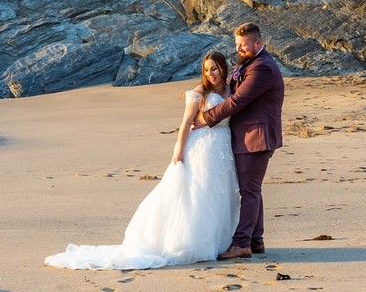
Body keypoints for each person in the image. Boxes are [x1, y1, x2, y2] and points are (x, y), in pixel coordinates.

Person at [45, 52, 240, 270]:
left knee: (218, 193)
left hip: (223, 147)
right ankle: (195, 243)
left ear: (223, 68)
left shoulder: (232, 90)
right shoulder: (200, 92)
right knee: (198, 192)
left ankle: (217, 242)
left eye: (214, 68)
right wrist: (178, 151)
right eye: (206, 69)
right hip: (200, 148)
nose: (210, 73)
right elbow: (186, 123)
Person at [197, 23, 284, 261]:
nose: (239, 49)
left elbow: (237, 101)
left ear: (257, 43)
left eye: (243, 45)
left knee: (249, 192)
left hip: (256, 137)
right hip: (249, 136)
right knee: (252, 189)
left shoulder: (262, 67)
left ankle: (242, 243)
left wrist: (206, 117)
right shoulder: (249, 63)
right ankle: (256, 241)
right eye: (236, 45)